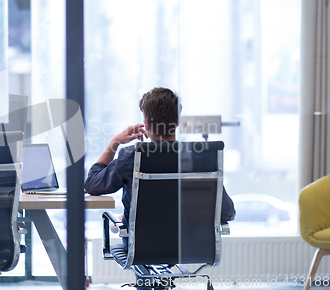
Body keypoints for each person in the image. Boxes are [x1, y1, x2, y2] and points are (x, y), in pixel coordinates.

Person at [85, 87, 236, 251]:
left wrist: (115, 142)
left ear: (146, 124)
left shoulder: (133, 157)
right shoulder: (199, 158)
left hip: (141, 248)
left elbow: (92, 184)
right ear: (177, 122)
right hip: (187, 247)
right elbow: (227, 212)